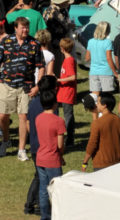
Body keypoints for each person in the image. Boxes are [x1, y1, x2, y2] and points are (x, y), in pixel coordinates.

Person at [0, 16, 43, 159]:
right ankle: (6, 140)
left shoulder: (34, 43)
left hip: (26, 86)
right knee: (2, 116)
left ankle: (21, 150)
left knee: (23, 117)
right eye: (22, 27)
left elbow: (41, 66)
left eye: (27, 27)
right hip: (6, 84)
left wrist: (38, 86)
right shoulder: (6, 42)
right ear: (16, 28)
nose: (25, 30)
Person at [32, 85, 67, 220]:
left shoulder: (38, 118)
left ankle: (45, 216)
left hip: (40, 158)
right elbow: (60, 144)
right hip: (52, 160)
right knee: (57, 190)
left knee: (43, 189)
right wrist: (61, 156)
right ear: (55, 103)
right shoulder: (59, 121)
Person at [80, 92, 120, 171]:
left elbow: (92, 144)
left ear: (104, 105)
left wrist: (85, 162)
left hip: (101, 163)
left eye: (98, 103)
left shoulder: (97, 123)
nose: (96, 105)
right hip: (117, 161)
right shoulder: (118, 120)